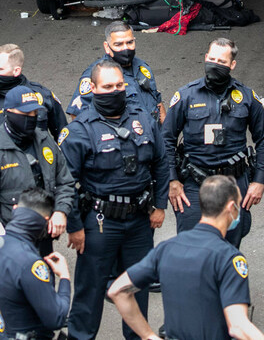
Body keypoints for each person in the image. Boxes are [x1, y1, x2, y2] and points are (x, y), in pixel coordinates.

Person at [58, 60, 170, 340]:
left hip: (139, 221)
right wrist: (74, 226)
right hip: (100, 222)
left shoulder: (143, 118)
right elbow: (65, 182)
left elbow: (161, 163)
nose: (115, 91)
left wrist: (160, 205)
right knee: (90, 289)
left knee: (137, 287)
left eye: (120, 85)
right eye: (108, 87)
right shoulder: (80, 129)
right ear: (93, 89)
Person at [108, 175, 264, 340]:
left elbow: (117, 290)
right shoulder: (229, 258)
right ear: (230, 207)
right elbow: (238, 326)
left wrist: (149, 335)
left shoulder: (167, 248)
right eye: (238, 204)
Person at [161, 38, 264, 246]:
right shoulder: (186, 96)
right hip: (194, 184)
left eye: (221, 61)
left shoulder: (247, 97)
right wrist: (172, 180)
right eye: (211, 59)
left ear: (232, 65)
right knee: (191, 246)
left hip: (233, 183)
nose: (215, 64)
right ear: (205, 58)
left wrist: (259, 181)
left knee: (229, 244)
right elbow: (166, 139)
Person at [0, 84, 75, 256]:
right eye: (25, 114)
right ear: (8, 112)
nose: (31, 118)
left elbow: (65, 182)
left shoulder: (45, 140)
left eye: (34, 113)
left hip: (43, 239)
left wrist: (61, 211)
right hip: (10, 244)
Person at [0, 43, 68, 167]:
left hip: (42, 173)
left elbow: (64, 138)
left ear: (16, 71)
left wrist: (59, 171)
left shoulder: (43, 97)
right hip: (5, 177)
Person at [0, 187, 72, 339]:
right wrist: (64, 277)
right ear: (46, 221)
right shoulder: (31, 264)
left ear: (15, 209)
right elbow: (56, 318)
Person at [67, 21, 164, 123]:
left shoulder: (142, 67)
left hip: (151, 133)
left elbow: (158, 103)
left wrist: (165, 135)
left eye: (130, 42)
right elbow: (77, 114)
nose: (125, 48)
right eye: (118, 44)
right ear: (107, 47)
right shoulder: (98, 74)